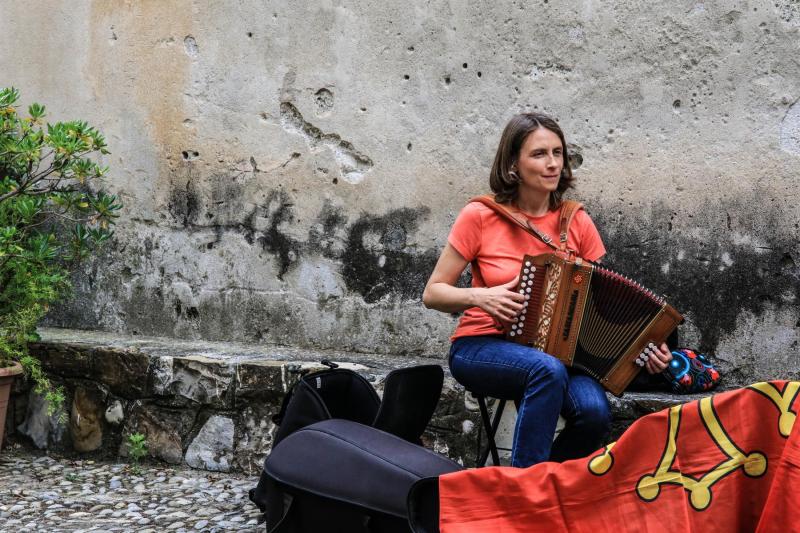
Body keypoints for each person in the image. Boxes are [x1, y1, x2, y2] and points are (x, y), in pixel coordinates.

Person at [422, 112, 673, 468]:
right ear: (513, 164)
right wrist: (481, 297)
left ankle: (544, 487)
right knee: (544, 371)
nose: (553, 163)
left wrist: (647, 348)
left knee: (594, 412)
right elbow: (433, 293)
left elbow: (604, 307)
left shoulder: (577, 222)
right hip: (482, 346)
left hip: (561, 357)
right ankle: (525, 498)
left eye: (558, 153)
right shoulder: (480, 216)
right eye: (539, 154)